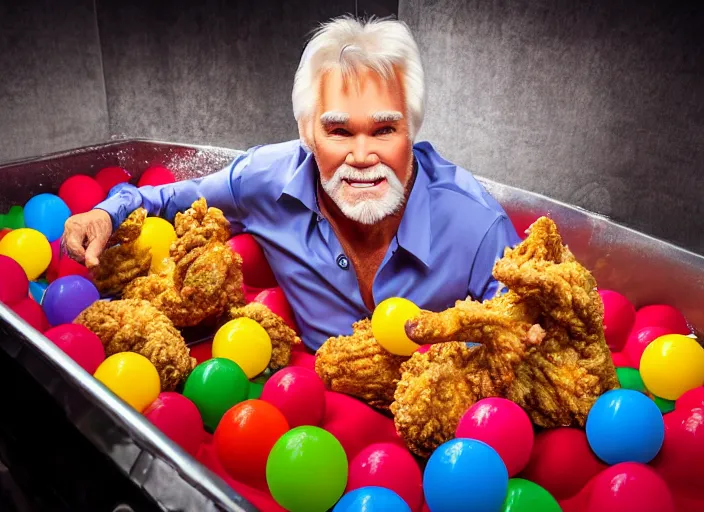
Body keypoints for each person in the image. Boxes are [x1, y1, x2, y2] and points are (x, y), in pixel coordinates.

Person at [62, 16, 521, 351]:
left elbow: (519, 333)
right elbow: (167, 200)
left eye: (385, 130)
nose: (363, 157)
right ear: (307, 134)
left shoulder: (476, 226)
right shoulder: (266, 179)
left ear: (412, 131)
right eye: (339, 132)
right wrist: (106, 212)